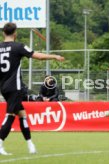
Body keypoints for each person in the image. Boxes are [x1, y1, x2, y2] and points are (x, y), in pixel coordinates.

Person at [0, 22, 65, 155]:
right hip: (15, 87)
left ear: (3, 33)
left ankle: (31, 146)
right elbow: (38, 56)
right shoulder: (18, 46)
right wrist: (54, 56)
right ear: (15, 33)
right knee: (10, 115)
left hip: (3, 87)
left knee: (22, 115)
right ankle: (0, 144)